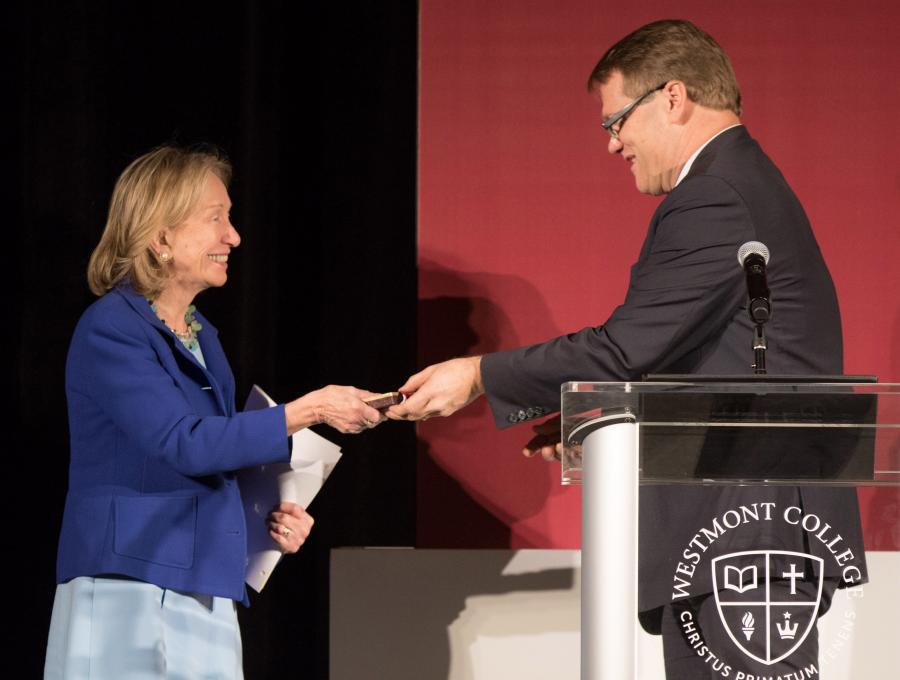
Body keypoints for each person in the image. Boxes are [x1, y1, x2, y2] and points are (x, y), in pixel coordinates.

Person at [388, 20, 864, 678]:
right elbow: (704, 357)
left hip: (743, 531)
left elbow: (623, 349)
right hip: (744, 532)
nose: (613, 144)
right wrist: (606, 419)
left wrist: (478, 375)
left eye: (616, 121)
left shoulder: (715, 195)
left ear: (673, 97)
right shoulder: (738, 183)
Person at [44, 145, 387, 679]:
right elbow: (184, 442)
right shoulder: (112, 327)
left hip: (205, 582)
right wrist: (311, 408)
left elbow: (214, 457)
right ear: (161, 238)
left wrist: (267, 517)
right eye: (216, 219)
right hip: (128, 584)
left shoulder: (203, 336)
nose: (234, 237)